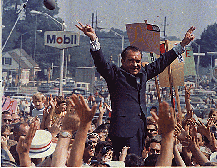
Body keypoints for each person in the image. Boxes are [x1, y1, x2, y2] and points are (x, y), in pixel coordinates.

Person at [76, 22, 195, 158]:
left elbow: (162, 62)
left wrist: (183, 44)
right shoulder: (115, 74)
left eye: (138, 61)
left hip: (140, 130)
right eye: (131, 61)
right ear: (123, 61)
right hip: (122, 132)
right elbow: (101, 63)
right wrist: (93, 39)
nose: (135, 64)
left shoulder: (143, 73)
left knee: (137, 161)